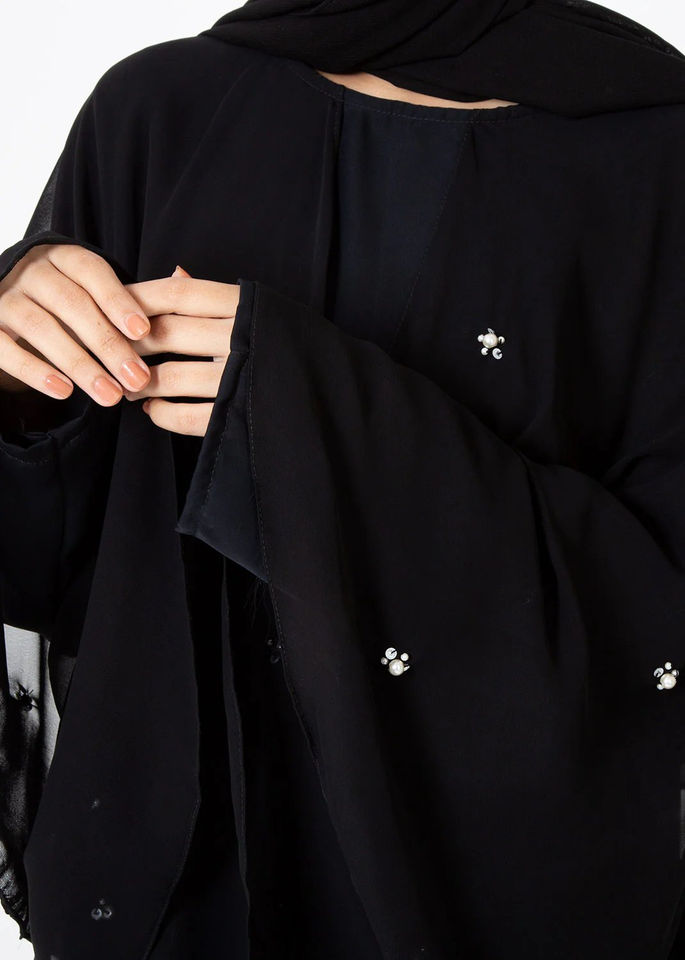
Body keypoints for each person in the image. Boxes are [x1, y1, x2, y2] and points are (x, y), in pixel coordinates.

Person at [2, 1, 685, 957]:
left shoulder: (654, 157)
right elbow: (54, 569)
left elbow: (656, 621)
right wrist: (21, 389)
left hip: (465, 889)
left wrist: (308, 410)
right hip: (183, 885)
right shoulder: (157, 110)